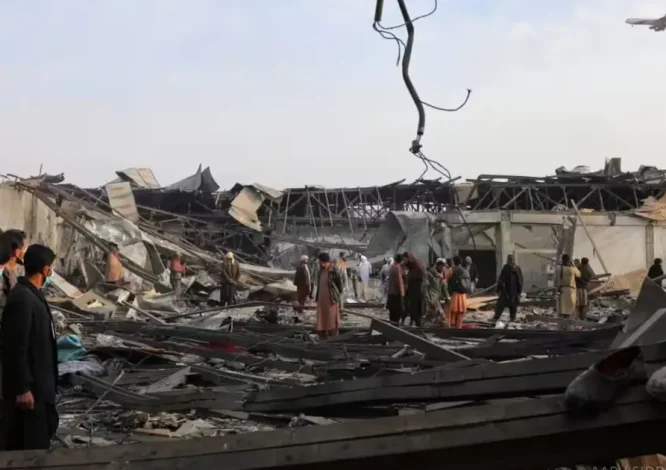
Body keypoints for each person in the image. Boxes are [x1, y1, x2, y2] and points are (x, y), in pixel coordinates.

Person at [0, 244, 59, 450]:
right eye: (52, 267)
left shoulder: (32, 295)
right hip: (29, 393)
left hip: (40, 388)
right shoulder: (23, 299)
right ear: (46, 269)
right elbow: (15, 347)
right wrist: (22, 388)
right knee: (25, 447)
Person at [315, 253, 343, 339]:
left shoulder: (334, 271)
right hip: (321, 302)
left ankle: (333, 339)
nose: (320, 263)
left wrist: (336, 295)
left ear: (325, 262)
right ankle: (323, 339)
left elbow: (340, 285)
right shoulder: (320, 271)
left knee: (331, 321)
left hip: (331, 301)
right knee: (322, 321)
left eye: (320, 262)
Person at [493, 255, 523, 322]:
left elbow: (502, 280)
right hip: (510, 291)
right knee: (507, 305)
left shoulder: (511, 268)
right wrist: (519, 291)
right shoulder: (512, 268)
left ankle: (510, 318)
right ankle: (509, 318)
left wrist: (498, 289)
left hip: (509, 291)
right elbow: (520, 281)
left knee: (506, 305)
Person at [447, 256, 471, 328]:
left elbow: (446, 281)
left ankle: (449, 328)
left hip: (454, 295)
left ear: (454, 262)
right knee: (460, 313)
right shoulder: (465, 270)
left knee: (451, 313)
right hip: (463, 296)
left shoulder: (451, 270)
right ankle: (458, 328)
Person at [403, 252, 426, 327]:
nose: (404, 261)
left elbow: (416, 277)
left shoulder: (416, 266)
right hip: (414, 288)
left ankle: (417, 324)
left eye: (405, 259)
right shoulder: (412, 266)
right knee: (411, 306)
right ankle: (414, 322)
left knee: (413, 307)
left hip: (416, 288)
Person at [426, 259, 450, 324]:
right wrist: (428, 298)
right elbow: (425, 287)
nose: (442, 267)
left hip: (437, 298)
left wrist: (447, 297)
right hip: (431, 299)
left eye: (443, 266)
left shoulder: (442, 275)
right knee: (442, 317)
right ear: (437, 265)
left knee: (431, 317)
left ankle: (428, 327)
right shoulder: (430, 274)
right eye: (441, 265)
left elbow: (444, 287)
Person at [386, 254, 406, 323]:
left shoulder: (391, 266)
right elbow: (399, 281)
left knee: (392, 312)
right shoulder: (397, 268)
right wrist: (402, 293)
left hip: (390, 293)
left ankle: (392, 324)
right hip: (396, 294)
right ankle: (395, 325)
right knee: (397, 312)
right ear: (401, 260)